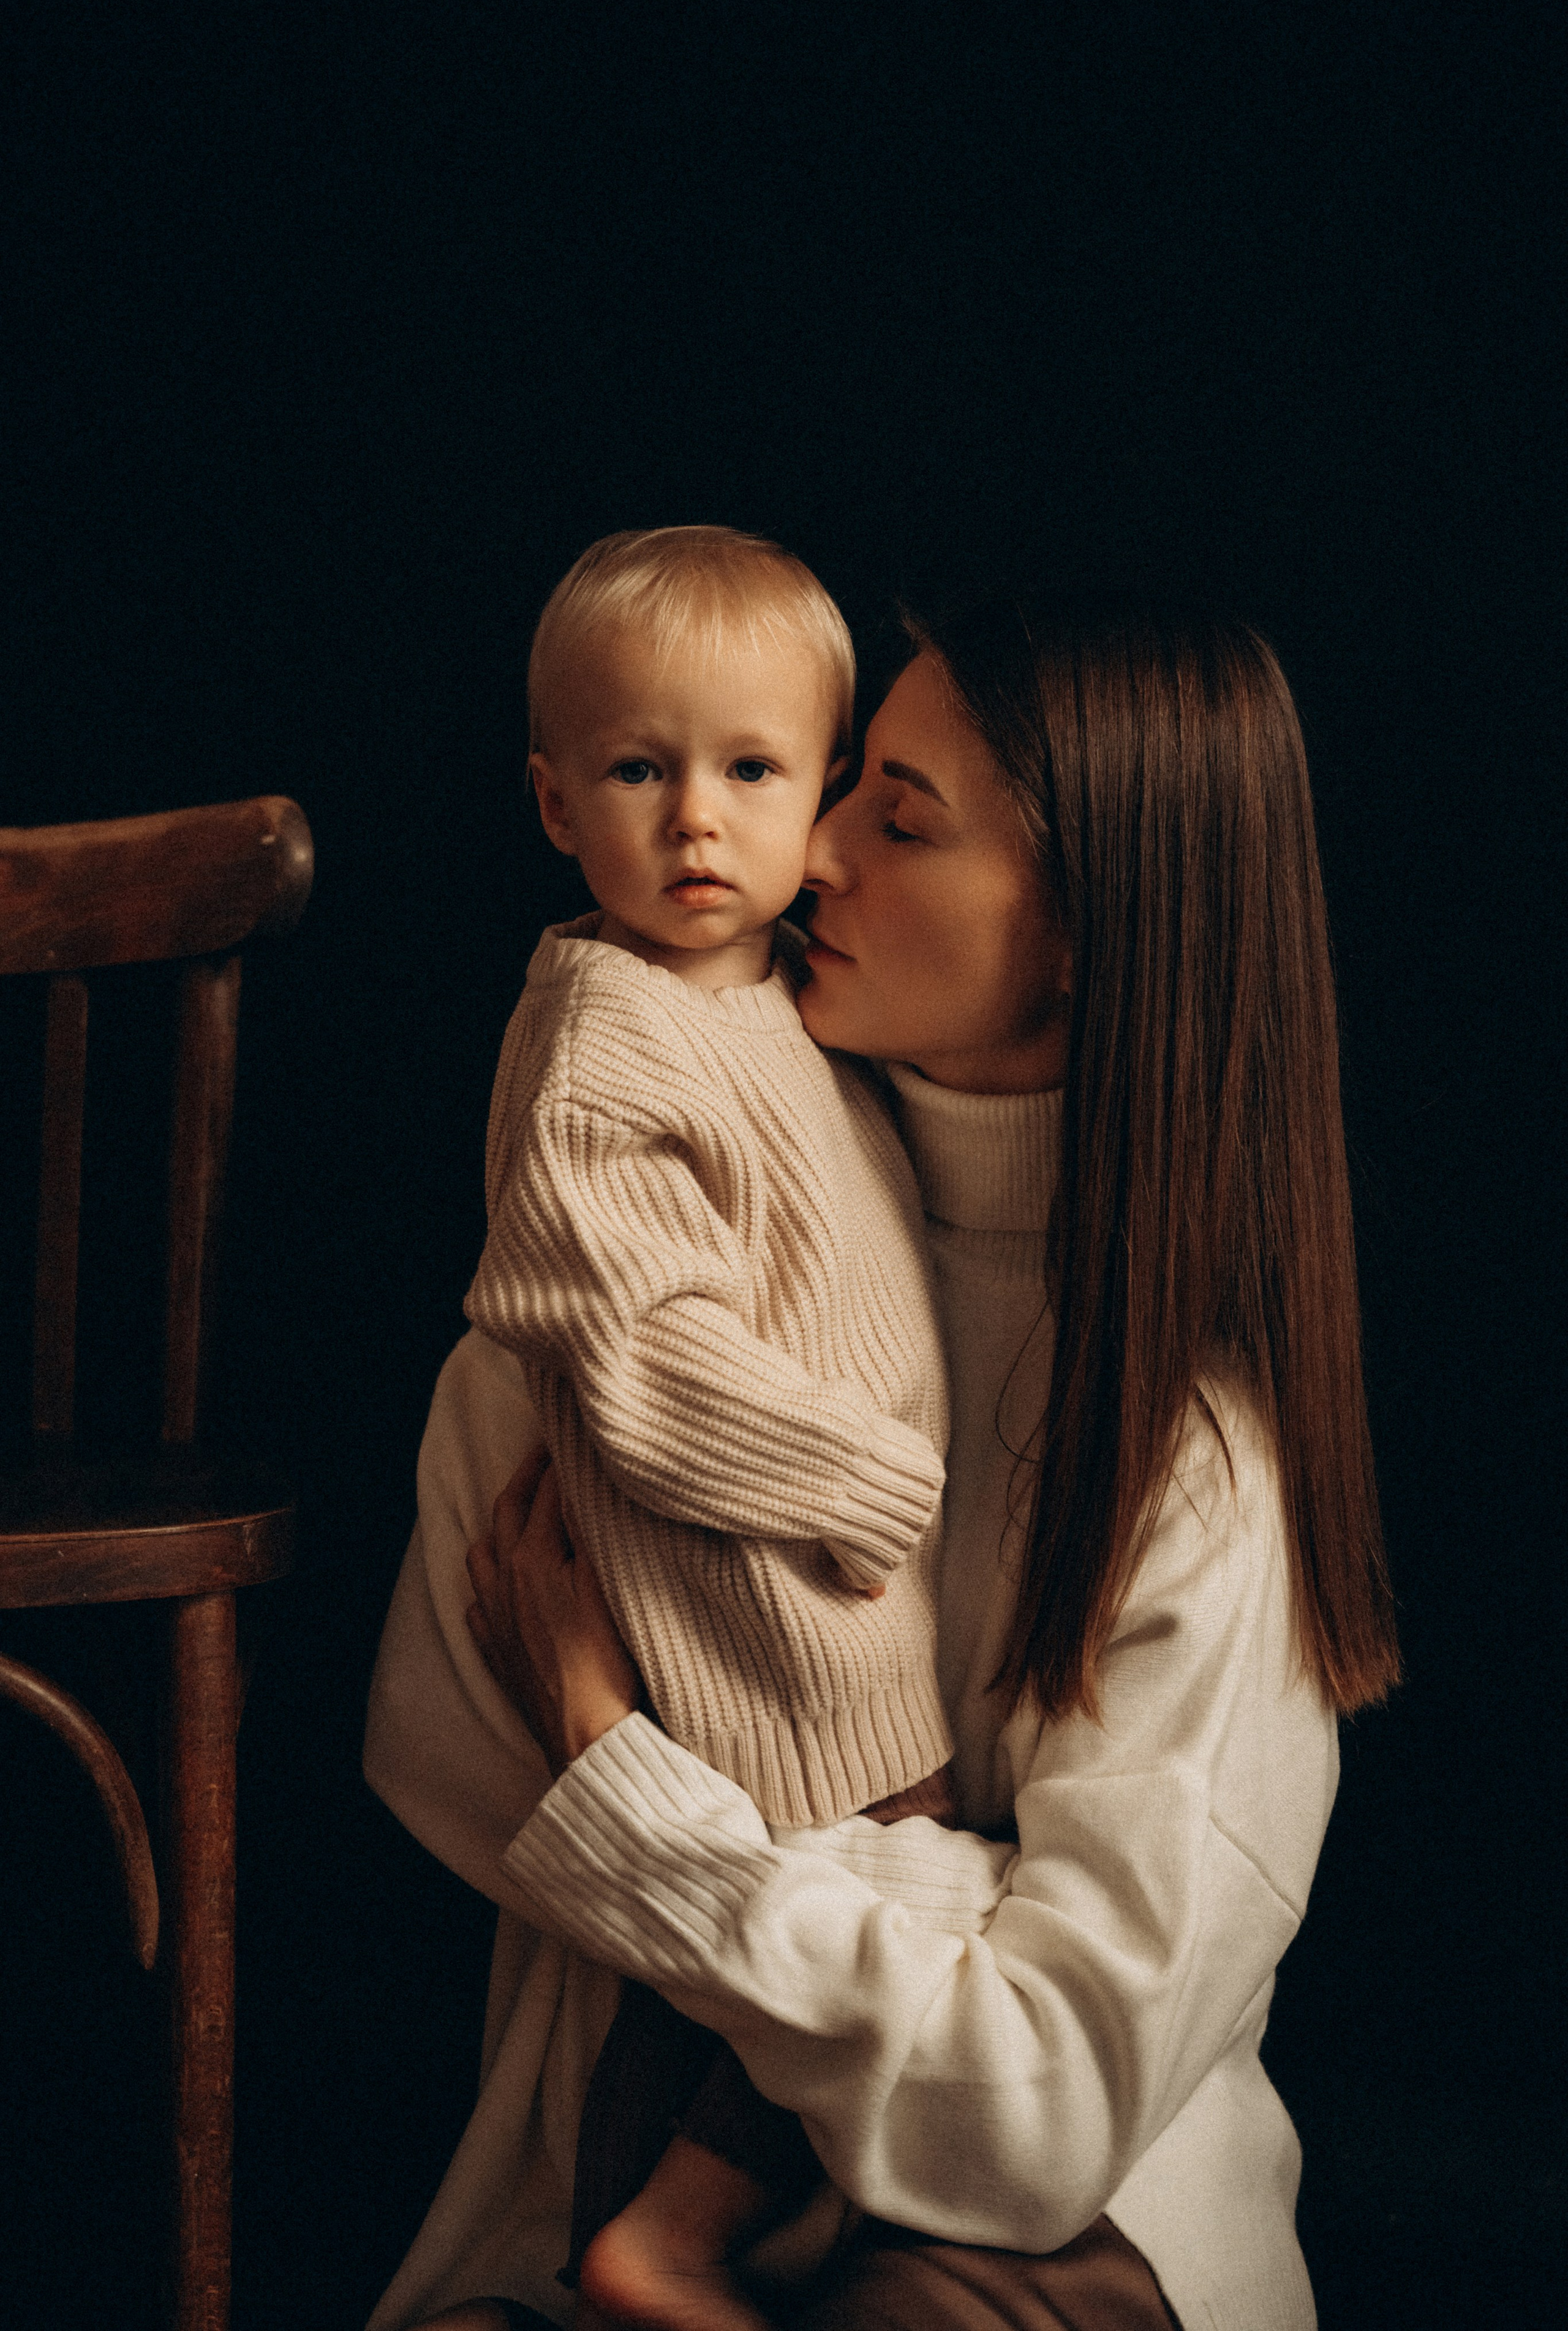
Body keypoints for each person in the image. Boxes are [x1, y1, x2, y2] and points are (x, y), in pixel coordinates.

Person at [364, 592, 1400, 2331]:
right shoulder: (645, 1271)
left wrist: (624, 1771)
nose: (804, 851)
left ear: (1088, 930)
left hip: (1061, 2253)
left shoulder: (1201, 1467)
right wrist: (955, 1909)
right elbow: (438, 1746)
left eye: (897, 818)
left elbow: (1045, 2111)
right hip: (611, 2179)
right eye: (842, 785)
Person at [451, 524, 973, 2329]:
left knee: (859, 1947)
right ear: (550, 803)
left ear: (821, 793)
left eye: (749, 771)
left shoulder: (782, 1007)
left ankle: (672, 2234)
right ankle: (646, 2247)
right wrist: (874, 1481)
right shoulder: (604, 1039)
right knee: (827, 1929)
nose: (694, 822)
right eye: (635, 770)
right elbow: (650, 1366)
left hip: (841, 1596)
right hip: (756, 1600)